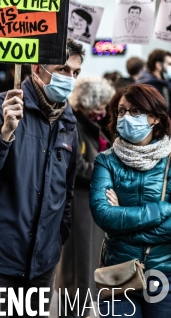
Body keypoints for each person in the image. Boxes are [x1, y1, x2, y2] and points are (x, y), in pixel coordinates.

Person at [0, 38, 85, 315]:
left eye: (75, 72)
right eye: (62, 69)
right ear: (37, 68)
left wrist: (57, 235)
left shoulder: (68, 122)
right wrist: (3, 134)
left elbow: (67, 189)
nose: (69, 78)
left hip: (42, 261)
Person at [90, 83, 171, 316]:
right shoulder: (106, 161)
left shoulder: (169, 160)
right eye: (121, 111)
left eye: (135, 112)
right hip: (118, 272)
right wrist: (162, 209)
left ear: (155, 117)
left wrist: (123, 223)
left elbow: (115, 220)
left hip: (163, 274)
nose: (126, 117)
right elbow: (104, 215)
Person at [55, 76, 114, 317]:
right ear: (85, 105)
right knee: (78, 268)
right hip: (79, 205)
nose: (102, 112)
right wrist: (107, 174)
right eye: (98, 107)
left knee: (87, 267)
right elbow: (76, 167)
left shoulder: (89, 126)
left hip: (90, 204)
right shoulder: (73, 126)